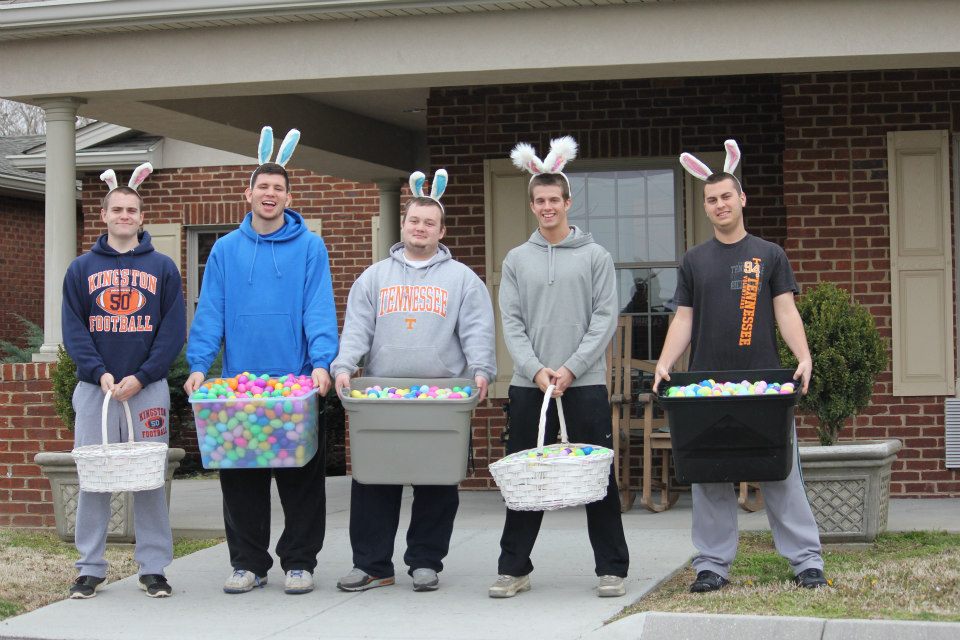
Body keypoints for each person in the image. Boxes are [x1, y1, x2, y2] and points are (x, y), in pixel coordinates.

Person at [654, 140, 828, 592]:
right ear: (706, 207)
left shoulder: (769, 254)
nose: (719, 205)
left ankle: (806, 562)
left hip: (765, 382)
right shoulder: (694, 260)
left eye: (726, 196)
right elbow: (685, 318)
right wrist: (665, 361)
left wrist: (803, 356)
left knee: (781, 471)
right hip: (706, 385)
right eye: (711, 199)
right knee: (709, 475)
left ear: (741, 199)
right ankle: (711, 566)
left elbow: (786, 311)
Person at [183, 127, 338, 596]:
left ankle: (299, 562)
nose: (269, 195)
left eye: (278, 188)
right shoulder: (226, 250)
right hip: (240, 386)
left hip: (294, 384)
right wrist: (198, 364)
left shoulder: (310, 246)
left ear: (289, 197)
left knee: (301, 480)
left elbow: (318, 305)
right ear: (247, 193)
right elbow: (211, 311)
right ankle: (248, 563)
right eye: (262, 187)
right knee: (241, 480)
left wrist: (322, 362)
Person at [331, 169, 496, 593]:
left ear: (441, 230)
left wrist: (482, 369)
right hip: (381, 394)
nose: (420, 228)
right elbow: (357, 329)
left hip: (442, 395)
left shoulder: (461, 279)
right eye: (413, 221)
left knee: (437, 481)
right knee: (372, 480)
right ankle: (372, 564)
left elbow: (477, 328)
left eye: (429, 223)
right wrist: (344, 365)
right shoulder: (373, 277)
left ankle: (425, 562)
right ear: (403, 225)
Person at [490, 137, 629, 599]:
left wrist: (570, 367)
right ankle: (514, 569)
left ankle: (612, 568)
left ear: (568, 202)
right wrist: (535, 370)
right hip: (532, 387)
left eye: (555, 200)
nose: (548, 207)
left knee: (598, 479)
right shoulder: (516, 260)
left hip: (584, 384)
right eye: (540, 200)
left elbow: (604, 318)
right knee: (526, 479)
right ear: (532, 205)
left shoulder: (595, 256)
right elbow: (510, 321)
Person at [62, 163, 186, 599]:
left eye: (132, 209)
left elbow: (172, 331)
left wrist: (143, 376)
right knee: (94, 477)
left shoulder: (163, 268)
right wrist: (101, 373)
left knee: (150, 478)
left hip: (146, 390)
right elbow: (74, 329)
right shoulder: (80, 269)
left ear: (141, 216)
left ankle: (153, 568)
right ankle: (90, 568)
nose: (125, 216)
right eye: (117, 209)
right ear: (104, 215)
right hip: (96, 391)